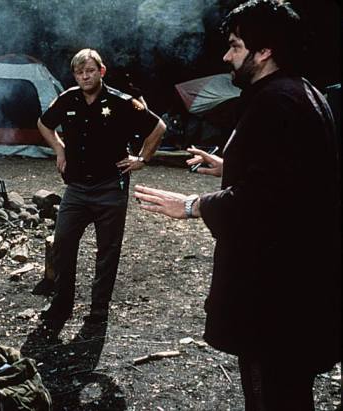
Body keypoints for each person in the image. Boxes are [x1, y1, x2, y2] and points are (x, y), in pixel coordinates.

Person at [133, 1, 341, 409]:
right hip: (302, 285)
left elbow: (265, 201)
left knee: (272, 396)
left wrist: (191, 205)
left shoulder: (273, 102)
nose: (227, 57)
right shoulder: (303, 92)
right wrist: (231, 167)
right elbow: (298, 178)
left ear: (264, 51)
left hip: (274, 294)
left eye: (235, 46)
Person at [37, 48, 166, 326]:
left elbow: (158, 127)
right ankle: (61, 304)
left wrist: (142, 158)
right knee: (63, 243)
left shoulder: (122, 102)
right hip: (76, 188)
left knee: (107, 250)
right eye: (79, 72)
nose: (85, 76)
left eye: (90, 71)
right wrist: (59, 149)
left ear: (101, 71)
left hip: (110, 188)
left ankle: (99, 310)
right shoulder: (68, 99)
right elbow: (43, 123)